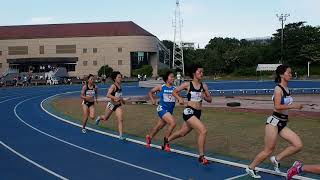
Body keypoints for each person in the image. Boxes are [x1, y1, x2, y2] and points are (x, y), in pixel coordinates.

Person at [246, 65, 304, 178]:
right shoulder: (278, 89)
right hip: (274, 123)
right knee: (268, 150)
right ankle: (250, 168)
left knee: (298, 145)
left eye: (291, 73)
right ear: (282, 74)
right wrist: (294, 106)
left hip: (282, 124)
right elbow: (277, 106)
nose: (291, 75)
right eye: (289, 73)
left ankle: (276, 159)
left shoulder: (287, 89)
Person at [166, 64, 212, 165]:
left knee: (182, 133)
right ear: (194, 73)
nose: (201, 74)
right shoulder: (187, 84)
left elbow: (210, 100)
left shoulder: (204, 86)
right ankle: (201, 156)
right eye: (199, 71)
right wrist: (179, 98)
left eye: (202, 72)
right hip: (189, 111)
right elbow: (174, 91)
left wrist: (204, 96)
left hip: (198, 113)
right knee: (203, 131)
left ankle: (167, 140)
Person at [145, 71, 177, 150]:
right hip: (162, 108)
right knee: (173, 123)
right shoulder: (161, 87)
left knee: (159, 126)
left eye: (174, 77)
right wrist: (153, 100)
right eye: (171, 77)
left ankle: (149, 137)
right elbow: (150, 92)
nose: (173, 78)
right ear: (167, 78)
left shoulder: (175, 89)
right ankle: (166, 142)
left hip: (169, 111)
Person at [95, 71, 126, 140]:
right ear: (115, 79)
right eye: (119, 77)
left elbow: (120, 96)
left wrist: (122, 101)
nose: (120, 78)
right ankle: (99, 118)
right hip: (111, 105)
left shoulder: (120, 86)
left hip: (118, 105)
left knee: (120, 119)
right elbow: (108, 94)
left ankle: (120, 136)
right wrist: (115, 98)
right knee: (105, 118)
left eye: (121, 77)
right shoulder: (113, 86)